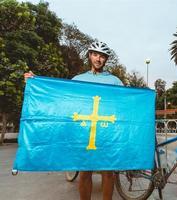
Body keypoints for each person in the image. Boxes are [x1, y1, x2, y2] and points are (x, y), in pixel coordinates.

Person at [24, 40, 123, 200]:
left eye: (102, 56)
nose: (98, 59)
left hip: (106, 132)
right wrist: (36, 83)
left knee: (108, 171)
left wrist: (145, 98)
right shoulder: (78, 78)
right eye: (95, 54)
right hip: (83, 132)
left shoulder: (114, 81)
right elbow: (62, 98)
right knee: (84, 172)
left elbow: (126, 103)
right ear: (90, 55)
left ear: (106, 59)